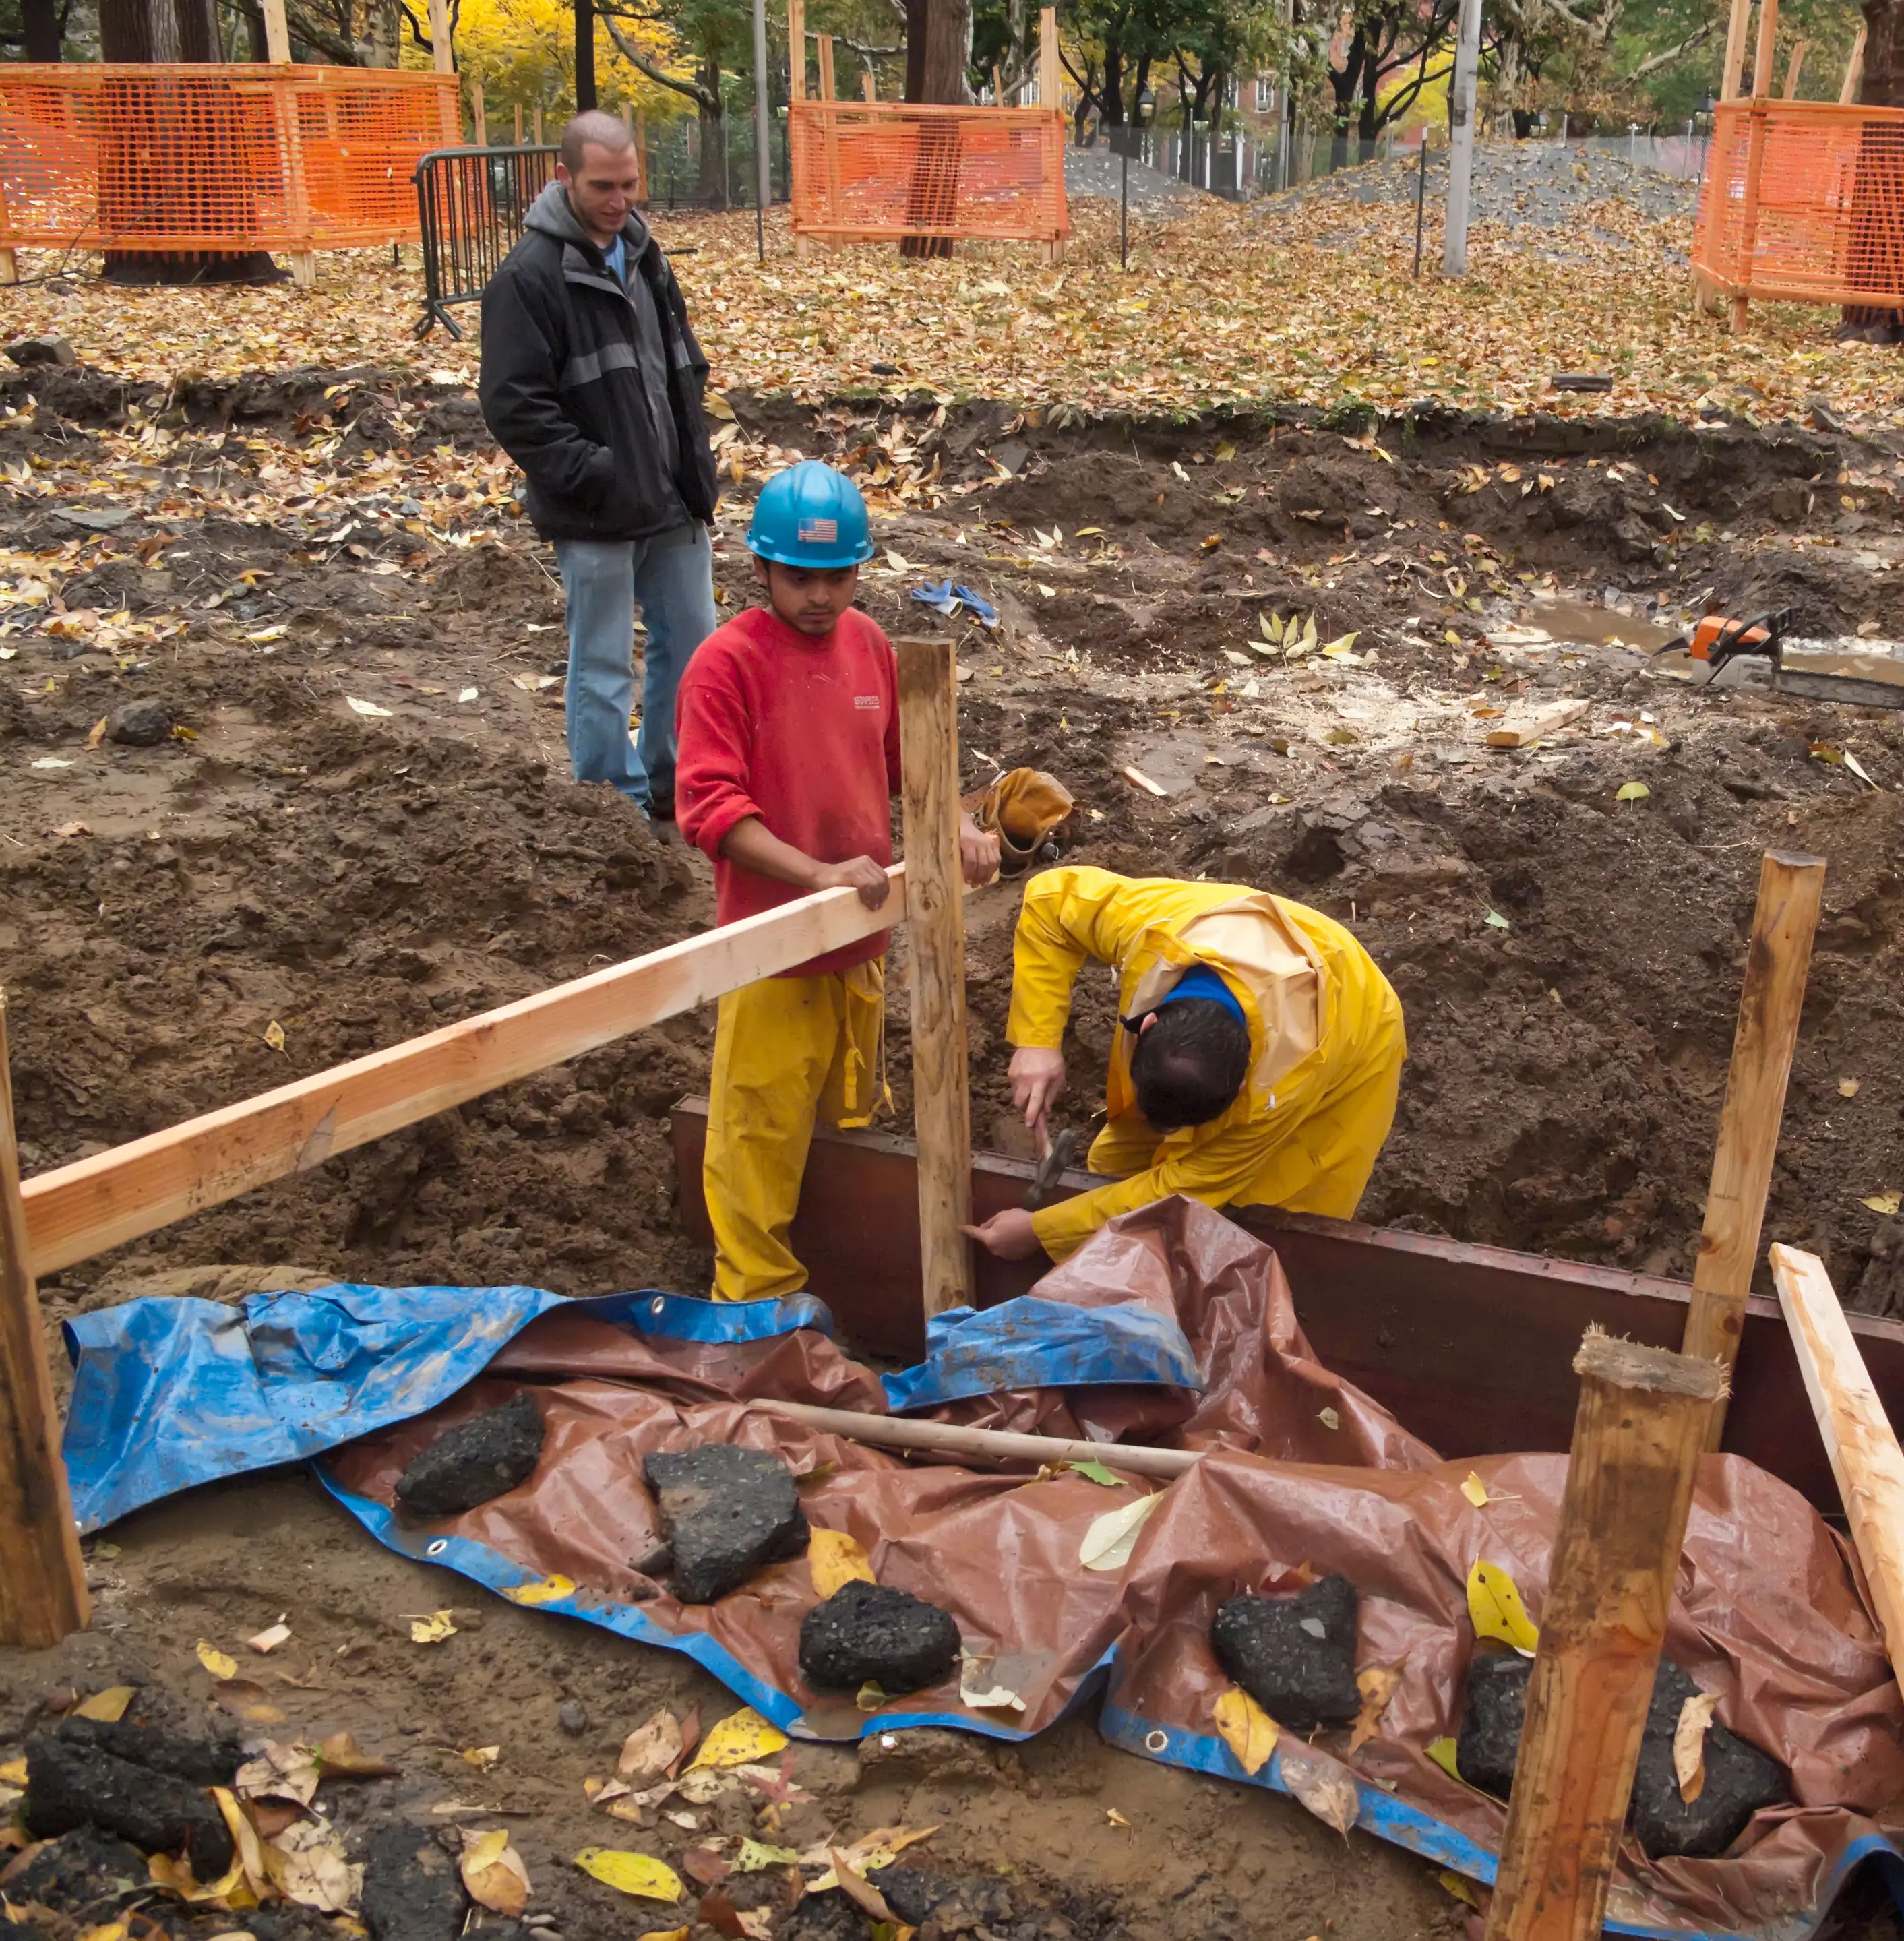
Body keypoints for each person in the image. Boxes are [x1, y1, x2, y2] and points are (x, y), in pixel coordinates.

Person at [677, 460, 1001, 1301]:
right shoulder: (726, 665)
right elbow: (710, 808)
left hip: (861, 938)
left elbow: (906, 763)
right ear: (761, 571)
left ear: (860, 571)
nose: (820, 597)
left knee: (841, 1118)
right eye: (799, 578)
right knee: (756, 1132)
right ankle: (754, 1306)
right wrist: (815, 873)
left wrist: (957, 821)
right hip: (772, 952)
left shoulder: (869, 647)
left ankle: (835, 1269)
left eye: (837, 577)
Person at [963, 868, 1407, 1263]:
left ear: (1241, 1091)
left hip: (1355, 1025)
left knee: (1262, 1218)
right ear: (1150, 1022)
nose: (1165, 1133)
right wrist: (1037, 1042)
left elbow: (1184, 1188)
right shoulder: (1150, 926)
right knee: (1123, 1157)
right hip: (1245, 940)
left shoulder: (1282, 1087)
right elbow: (1049, 901)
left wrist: (1043, 1232)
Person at [480, 110, 718, 822]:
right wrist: (594, 472)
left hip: (672, 497)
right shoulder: (528, 277)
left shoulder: (647, 256)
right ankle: (611, 811)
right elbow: (513, 406)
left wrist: (695, 465)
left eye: (630, 184)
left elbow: (681, 370)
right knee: (605, 665)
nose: (619, 201)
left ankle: (680, 783)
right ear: (564, 179)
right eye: (602, 187)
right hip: (595, 508)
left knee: (695, 644)